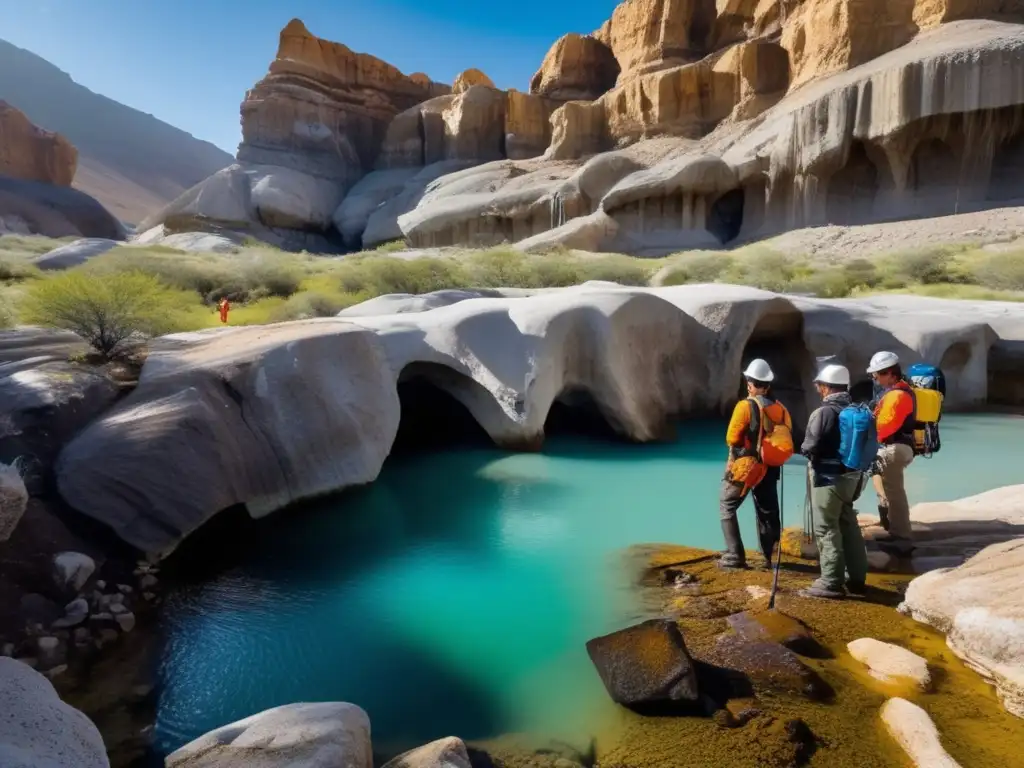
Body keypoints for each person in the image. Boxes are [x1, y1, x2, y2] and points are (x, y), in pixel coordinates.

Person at [798, 364, 869, 599]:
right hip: (854, 479)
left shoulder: (824, 412)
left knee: (827, 527)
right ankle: (857, 578)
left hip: (829, 480)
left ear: (827, 387)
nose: (819, 390)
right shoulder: (856, 410)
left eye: (820, 385)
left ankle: (831, 581)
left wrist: (804, 450)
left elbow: (811, 445)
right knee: (848, 523)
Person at [718, 359, 793, 570]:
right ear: (767, 385)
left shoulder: (745, 406)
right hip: (771, 467)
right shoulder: (782, 409)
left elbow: (732, 437)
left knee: (727, 505)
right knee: (767, 510)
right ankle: (769, 556)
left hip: (748, 466)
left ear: (750, 383)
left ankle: (734, 555)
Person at [866, 350, 916, 553]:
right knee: (891, 491)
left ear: (890, 373)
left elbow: (885, 426)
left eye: (877, 374)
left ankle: (902, 537)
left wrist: (866, 435)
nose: (874, 378)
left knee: (895, 493)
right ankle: (896, 532)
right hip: (897, 448)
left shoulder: (897, 396)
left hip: (895, 448)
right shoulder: (897, 392)